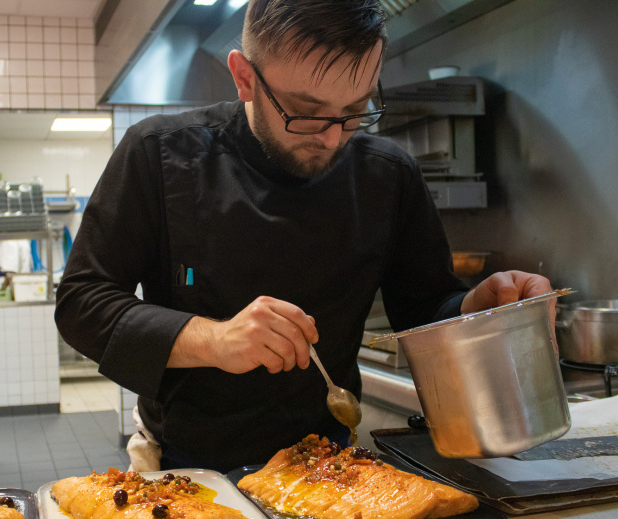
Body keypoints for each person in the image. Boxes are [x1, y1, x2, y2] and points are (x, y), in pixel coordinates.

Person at [54, 0, 552, 473]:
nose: (333, 137)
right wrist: (215, 339)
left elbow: (424, 312)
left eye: (355, 110)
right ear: (245, 77)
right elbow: (82, 303)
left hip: (328, 462)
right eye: (307, 111)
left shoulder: (388, 175)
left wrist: (476, 311)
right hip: (189, 465)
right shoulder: (159, 154)